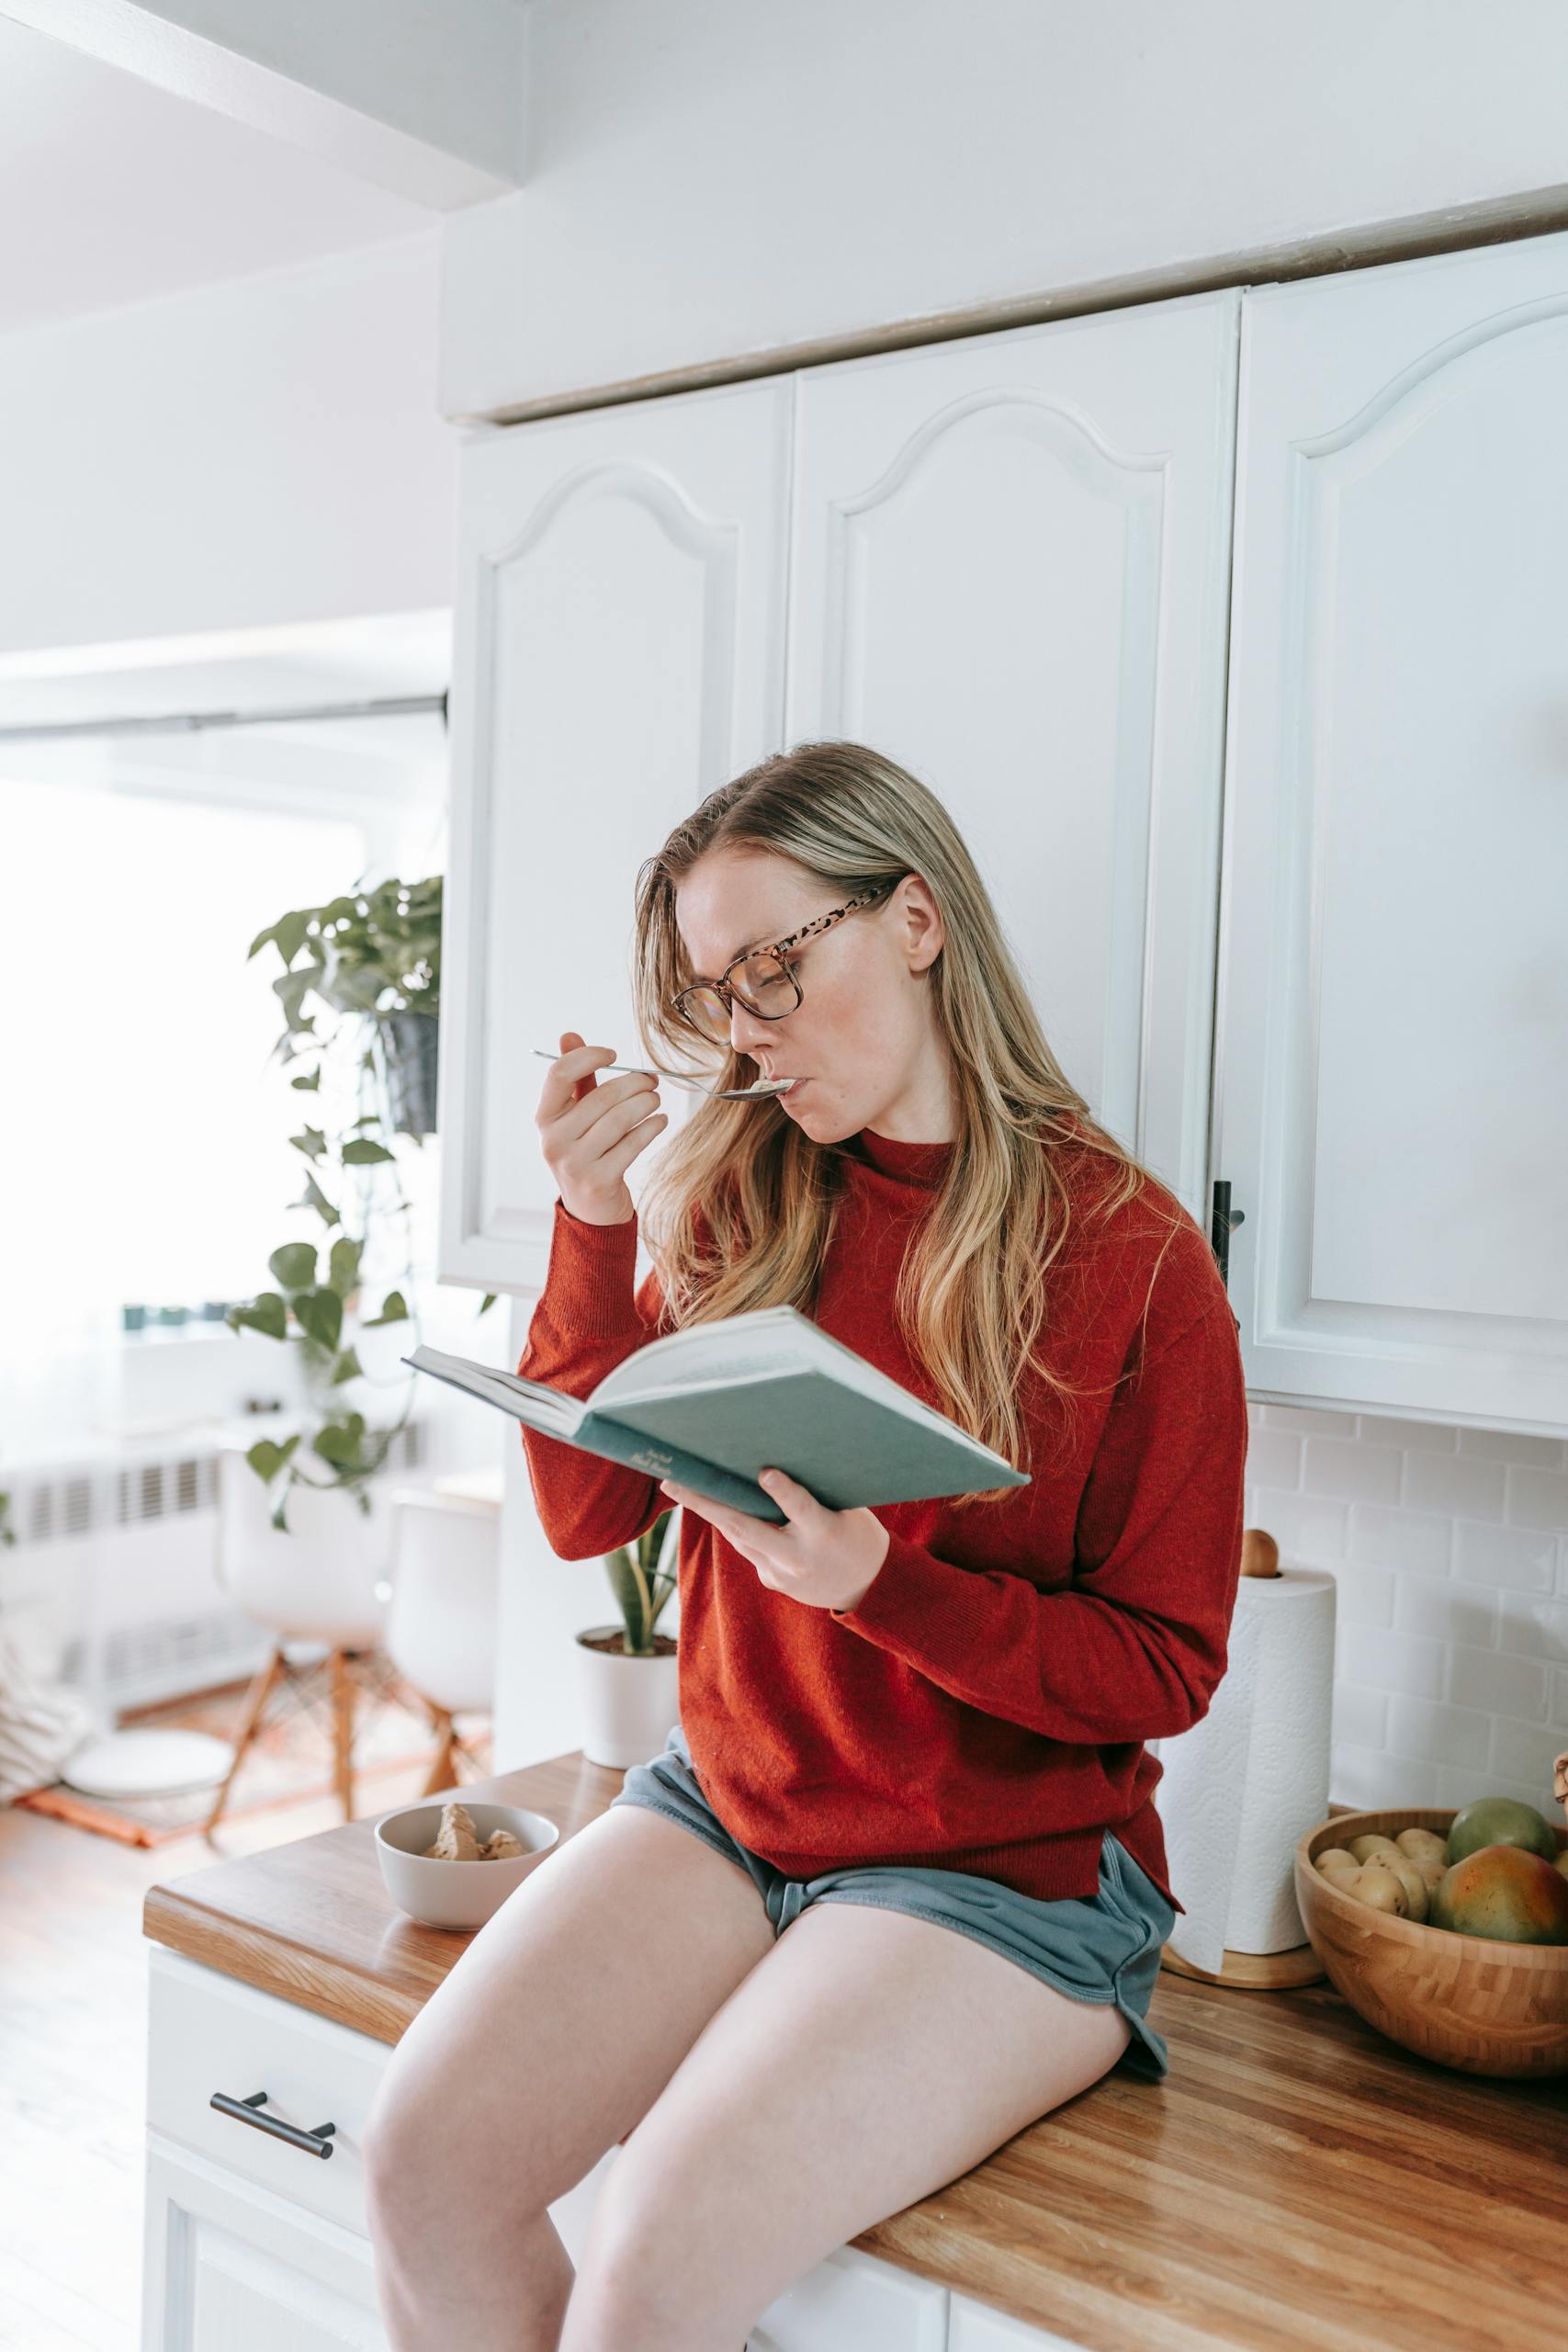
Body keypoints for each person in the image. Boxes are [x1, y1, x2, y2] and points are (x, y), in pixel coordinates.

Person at [365, 740, 1249, 2352]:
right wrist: (593, 1224)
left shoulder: (1131, 1257)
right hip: (733, 1808)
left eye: (774, 969)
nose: (747, 1031)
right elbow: (587, 1516)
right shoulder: (743, 1201)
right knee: (423, 2161)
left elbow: (1166, 1669)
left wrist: (882, 1592)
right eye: (717, 995)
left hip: (1010, 1879)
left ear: (915, 920)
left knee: (649, 2259)